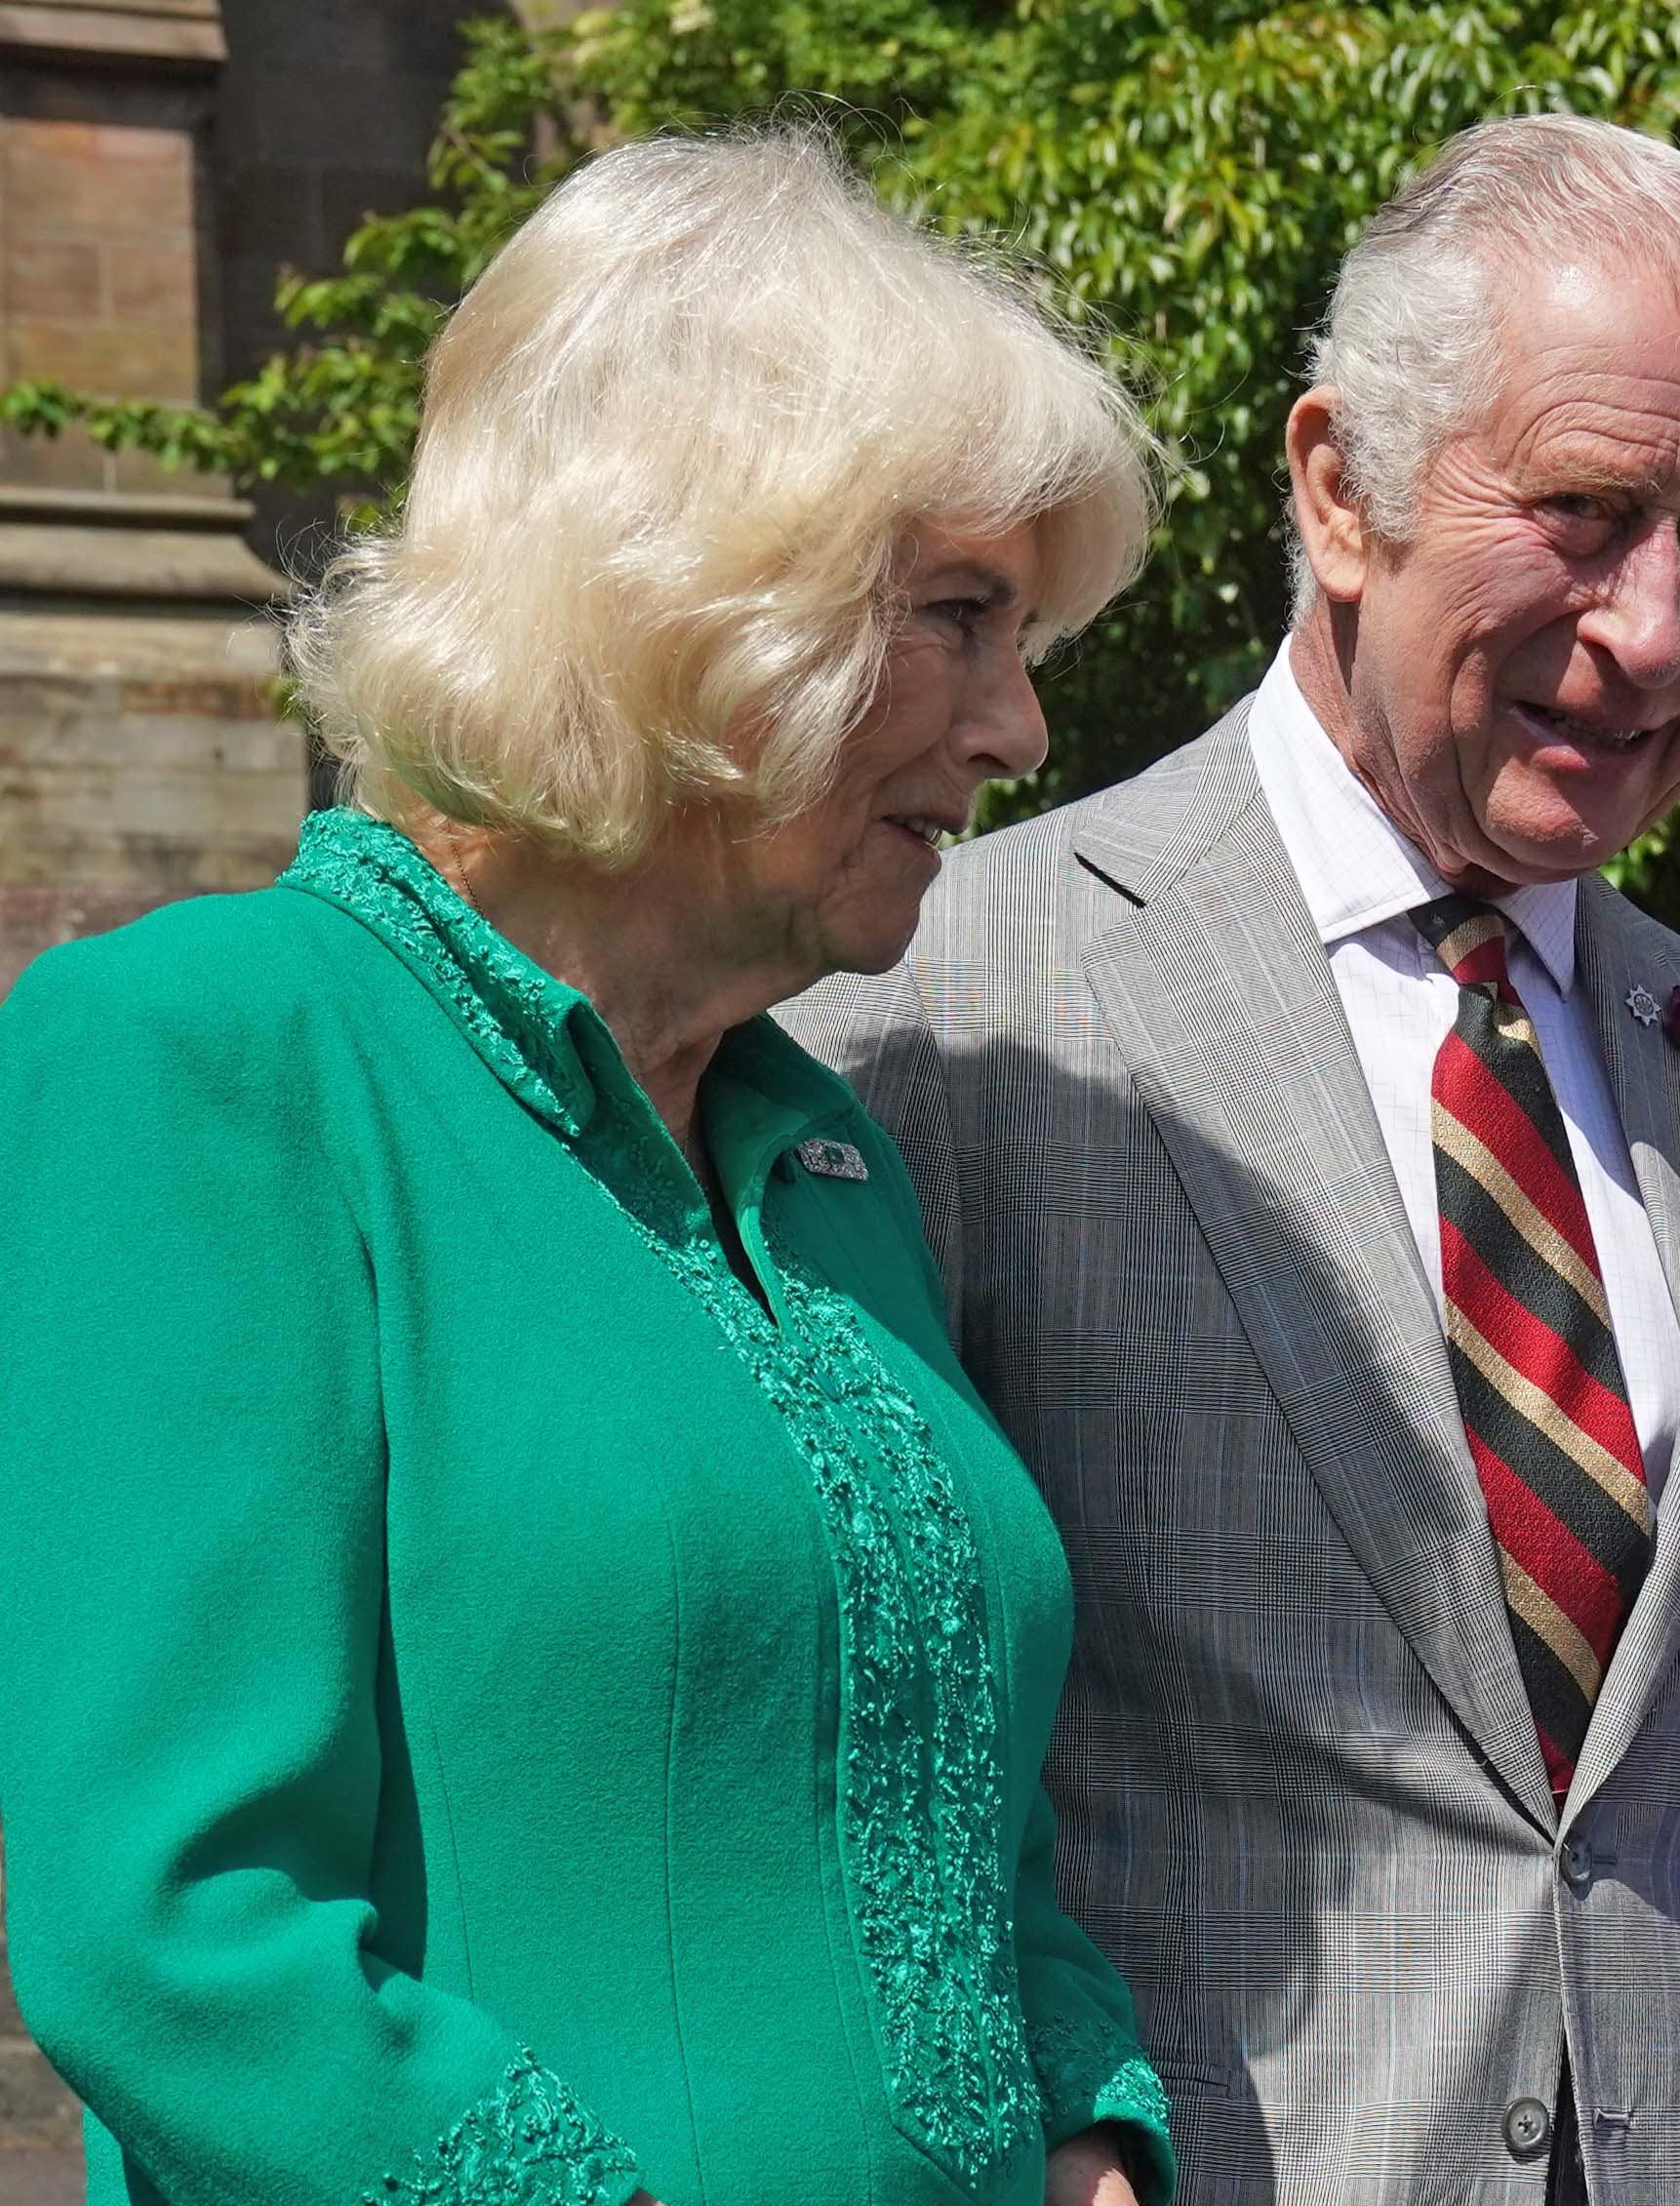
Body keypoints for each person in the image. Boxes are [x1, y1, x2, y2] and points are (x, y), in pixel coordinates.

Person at [0, 132, 1175, 2206]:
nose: (1020, 723)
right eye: (962, 616)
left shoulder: (823, 1155)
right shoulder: (202, 1057)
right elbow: (175, 1937)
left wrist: (1088, 2123)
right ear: (694, 593)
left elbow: (962, 1839)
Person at [784, 115, 1680, 2203]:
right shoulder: (947, 1001)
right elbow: (862, 1756)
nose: (1657, 632)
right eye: (1582, 514)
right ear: (1340, 488)